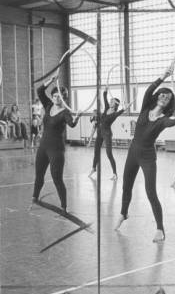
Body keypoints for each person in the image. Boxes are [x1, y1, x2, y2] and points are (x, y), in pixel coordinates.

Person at [115, 68, 175, 242]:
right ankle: (124, 213)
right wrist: (163, 77)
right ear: (158, 96)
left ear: (170, 103)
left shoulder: (163, 119)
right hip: (132, 152)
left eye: (168, 98)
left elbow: (171, 123)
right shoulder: (145, 107)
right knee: (126, 186)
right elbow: (148, 91)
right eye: (162, 94)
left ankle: (160, 229)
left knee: (150, 192)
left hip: (147, 157)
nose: (164, 97)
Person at [32, 76, 81, 212]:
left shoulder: (65, 112)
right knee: (39, 176)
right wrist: (51, 81)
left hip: (56, 150)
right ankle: (34, 198)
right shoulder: (48, 105)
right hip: (43, 147)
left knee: (56, 178)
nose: (56, 99)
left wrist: (76, 118)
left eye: (59, 97)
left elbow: (71, 124)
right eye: (54, 96)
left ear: (64, 98)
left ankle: (64, 206)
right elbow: (40, 90)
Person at [88, 89, 131, 180]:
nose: (110, 102)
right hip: (100, 132)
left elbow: (120, 112)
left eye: (112, 101)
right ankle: (93, 168)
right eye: (110, 101)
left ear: (115, 104)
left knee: (109, 154)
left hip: (107, 134)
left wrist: (125, 108)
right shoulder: (107, 108)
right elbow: (104, 97)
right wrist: (105, 90)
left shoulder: (114, 114)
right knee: (96, 151)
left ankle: (115, 173)